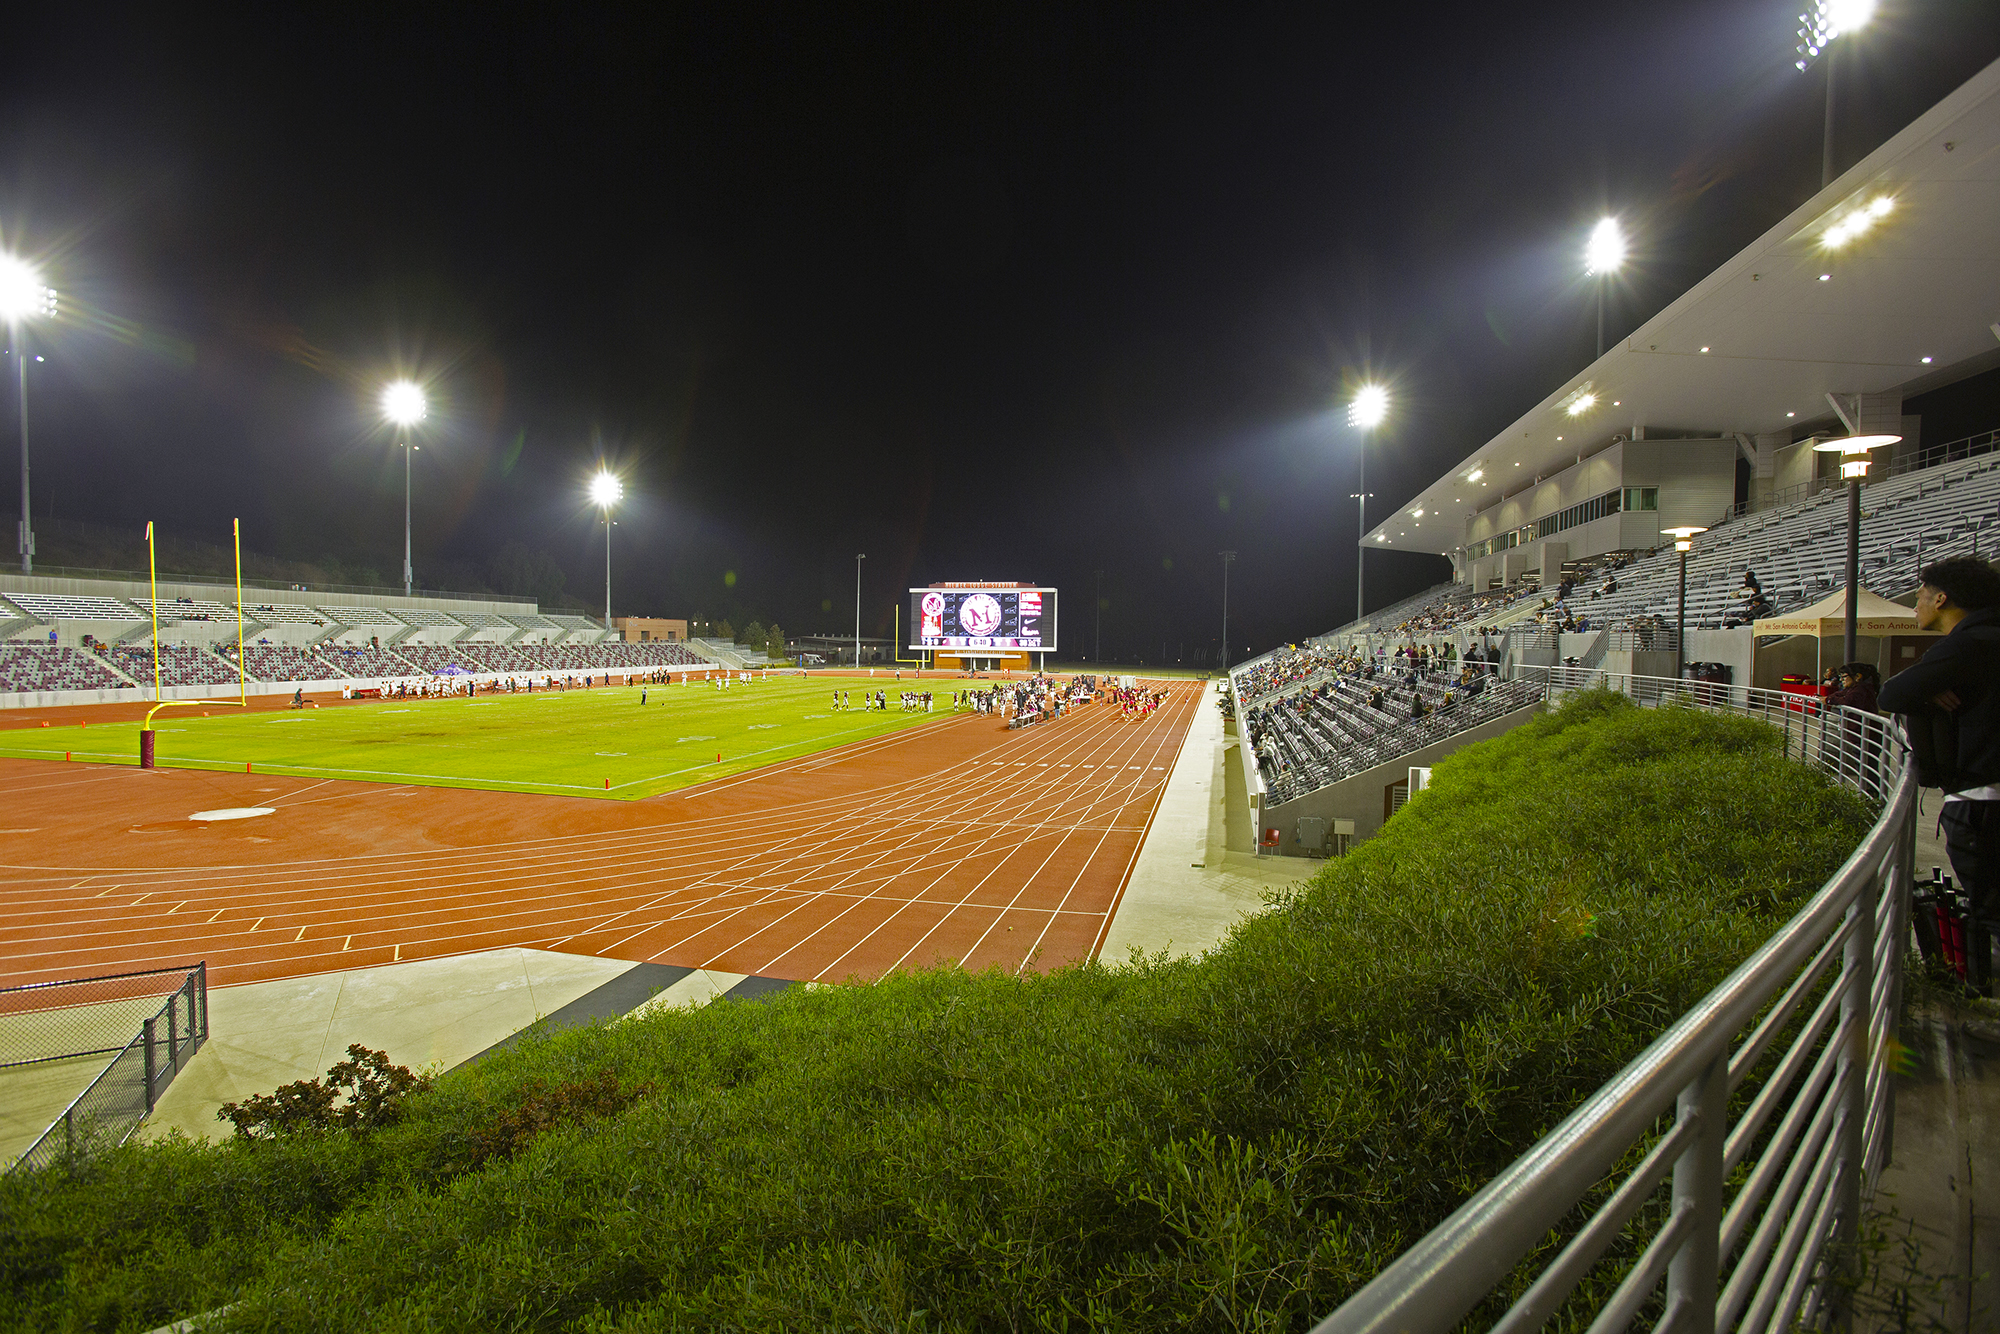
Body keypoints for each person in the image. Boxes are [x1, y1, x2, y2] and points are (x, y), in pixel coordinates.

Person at [1878, 558, 2000, 997]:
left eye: (1920, 594)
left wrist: (1924, 686)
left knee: (1991, 910)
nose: (1915, 604)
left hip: (1982, 804)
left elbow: (1892, 692)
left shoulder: (1968, 645)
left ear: (1942, 597)